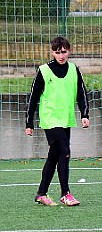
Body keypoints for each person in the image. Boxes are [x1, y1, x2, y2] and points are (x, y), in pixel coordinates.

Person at [25, 36, 90, 206]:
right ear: (52, 52)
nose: (61, 55)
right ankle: (65, 193)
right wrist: (29, 122)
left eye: (64, 52)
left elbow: (81, 94)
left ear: (69, 51)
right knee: (65, 151)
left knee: (54, 155)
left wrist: (85, 114)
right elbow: (33, 98)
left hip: (66, 118)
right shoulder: (44, 70)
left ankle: (41, 193)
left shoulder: (74, 70)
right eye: (57, 52)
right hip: (50, 118)